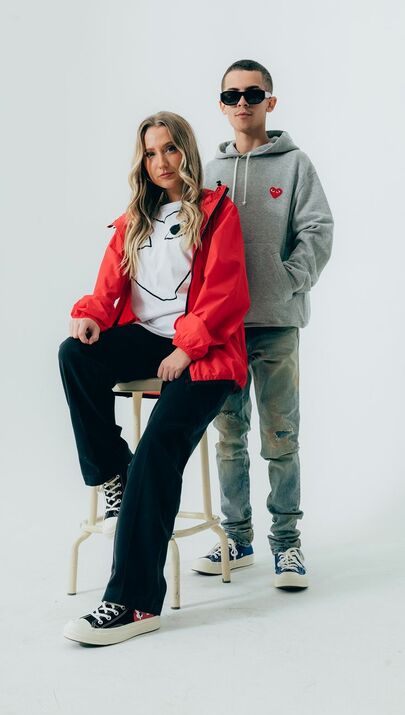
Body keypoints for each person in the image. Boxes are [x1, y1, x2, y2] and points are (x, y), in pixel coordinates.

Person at [59, 111, 249, 645]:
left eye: (170, 148)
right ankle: (112, 473)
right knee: (75, 355)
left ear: (186, 150)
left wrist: (187, 349)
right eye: (150, 152)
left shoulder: (216, 211)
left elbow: (226, 292)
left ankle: (135, 603)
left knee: (158, 451)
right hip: (148, 339)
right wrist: (92, 315)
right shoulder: (135, 220)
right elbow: (108, 287)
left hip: (207, 351)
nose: (161, 161)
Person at [192, 59, 333, 589]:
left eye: (253, 94)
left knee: (280, 437)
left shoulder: (295, 164)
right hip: (222, 330)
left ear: (270, 102)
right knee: (228, 436)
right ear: (221, 104)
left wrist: (289, 278)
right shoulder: (210, 171)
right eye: (232, 95)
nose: (243, 103)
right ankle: (237, 537)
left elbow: (318, 228)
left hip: (276, 323)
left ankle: (287, 543)